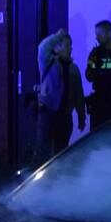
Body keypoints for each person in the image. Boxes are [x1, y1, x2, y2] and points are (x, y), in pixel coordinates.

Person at [35, 28, 86, 163]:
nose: (71, 48)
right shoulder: (48, 61)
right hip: (48, 114)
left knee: (62, 154)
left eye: (71, 45)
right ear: (57, 47)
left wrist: (82, 117)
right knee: (43, 152)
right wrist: (58, 36)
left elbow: (78, 95)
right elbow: (42, 47)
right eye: (67, 45)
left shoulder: (74, 69)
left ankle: (59, 182)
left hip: (65, 117)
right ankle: (42, 183)